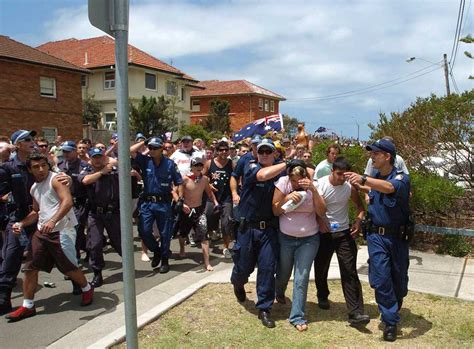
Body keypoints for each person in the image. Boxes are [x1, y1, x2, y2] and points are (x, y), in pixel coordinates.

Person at [5, 152, 94, 322]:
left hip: (62, 231)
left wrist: (53, 220)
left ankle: (87, 288)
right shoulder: (34, 187)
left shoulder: (56, 180)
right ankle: (28, 305)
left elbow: (67, 202)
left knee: (69, 268)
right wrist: (22, 224)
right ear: (30, 170)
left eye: (44, 165)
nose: (41, 170)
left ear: (48, 165)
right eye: (36, 167)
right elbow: (36, 212)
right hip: (42, 232)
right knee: (30, 268)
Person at [345, 139, 411, 342]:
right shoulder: (373, 180)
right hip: (376, 237)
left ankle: (395, 301)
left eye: (375, 154)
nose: (371, 157)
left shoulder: (401, 178)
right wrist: (356, 185)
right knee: (381, 278)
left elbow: (389, 187)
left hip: (397, 238)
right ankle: (390, 321)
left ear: (387, 156)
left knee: (398, 281)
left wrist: (364, 180)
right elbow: (372, 189)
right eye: (371, 153)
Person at [0, 130, 70, 315]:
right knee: (12, 256)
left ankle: (79, 284)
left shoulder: (40, 163)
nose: (32, 142)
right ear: (17, 145)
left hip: (43, 217)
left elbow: (58, 178)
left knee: (59, 251)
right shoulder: (8, 167)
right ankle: (4, 297)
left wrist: (68, 178)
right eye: (27, 140)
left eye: (33, 139)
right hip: (19, 218)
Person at [230, 138, 286, 328]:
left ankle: (264, 308)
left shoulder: (281, 170)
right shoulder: (251, 167)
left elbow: (305, 175)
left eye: (267, 151)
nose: (263, 154)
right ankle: (238, 283)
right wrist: (288, 163)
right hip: (248, 229)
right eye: (261, 151)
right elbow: (262, 176)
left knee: (267, 268)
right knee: (243, 267)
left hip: (268, 229)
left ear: (274, 154)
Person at [314, 157, 370, 325]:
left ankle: (356, 312)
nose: (341, 178)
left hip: (344, 233)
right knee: (321, 268)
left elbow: (361, 207)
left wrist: (358, 221)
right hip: (324, 233)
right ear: (332, 171)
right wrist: (319, 220)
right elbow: (313, 209)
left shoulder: (349, 187)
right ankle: (322, 295)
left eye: (345, 175)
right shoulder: (320, 185)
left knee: (349, 271)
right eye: (338, 174)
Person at [272, 160, 326, 331]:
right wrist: (286, 198)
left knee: (301, 277)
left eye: (299, 180)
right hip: (286, 237)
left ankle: (297, 316)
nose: (296, 184)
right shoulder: (283, 184)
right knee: (284, 272)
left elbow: (322, 211)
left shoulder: (313, 186)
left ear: (306, 177)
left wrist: (313, 190)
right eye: (293, 180)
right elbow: (275, 210)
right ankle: (279, 292)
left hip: (309, 239)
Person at [130, 137, 183, 273]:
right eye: (150, 148)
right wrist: (144, 142)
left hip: (163, 203)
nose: (151, 150)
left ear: (161, 149)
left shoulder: (170, 164)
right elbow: (130, 151)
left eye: (155, 148)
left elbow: (179, 182)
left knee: (165, 233)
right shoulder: (145, 161)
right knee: (144, 231)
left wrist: (180, 200)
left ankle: (164, 260)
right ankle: (157, 251)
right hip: (147, 203)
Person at [79, 147, 122, 287]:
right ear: (90, 159)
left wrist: (111, 168)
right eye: (94, 157)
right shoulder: (87, 170)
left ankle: (128, 267)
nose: (97, 160)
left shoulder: (114, 171)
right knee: (95, 244)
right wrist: (102, 173)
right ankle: (97, 273)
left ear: (104, 157)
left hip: (113, 212)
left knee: (119, 242)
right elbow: (85, 181)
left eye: (99, 157)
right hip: (95, 214)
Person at [57, 141, 90, 294]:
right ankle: (73, 263)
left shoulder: (83, 165)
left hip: (79, 204)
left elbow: (83, 181)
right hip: (63, 205)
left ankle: (75, 266)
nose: (66, 154)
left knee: (74, 234)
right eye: (64, 151)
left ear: (75, 151)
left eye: (69, 151)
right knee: (69, 237)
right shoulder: (59, 165)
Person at [176, 156, 218, 271]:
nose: (199, 167)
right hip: (187, 211)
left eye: (201, 165)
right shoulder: (184, 179)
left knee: (204, 236)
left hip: (199, 211)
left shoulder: (204, 179)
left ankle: (207, 262)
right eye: (196, 165)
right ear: (192, 167)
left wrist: (215, 202)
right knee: (183, 233)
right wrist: (182, 204)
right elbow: (177, 194)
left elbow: (209, 193)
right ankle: (182, 249)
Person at [204, 141, 234, 258]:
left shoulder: (231, 163)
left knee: (227, 222)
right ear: (217, 151)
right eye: (221, 150)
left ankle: (226, 247)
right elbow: (203, 176)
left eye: (226, 150)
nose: (224, 152)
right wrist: (208, 184)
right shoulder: (209, 163)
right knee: (209, 216)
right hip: (212, 197)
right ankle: (212, 233)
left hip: (226, 197)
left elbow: (236, 177)